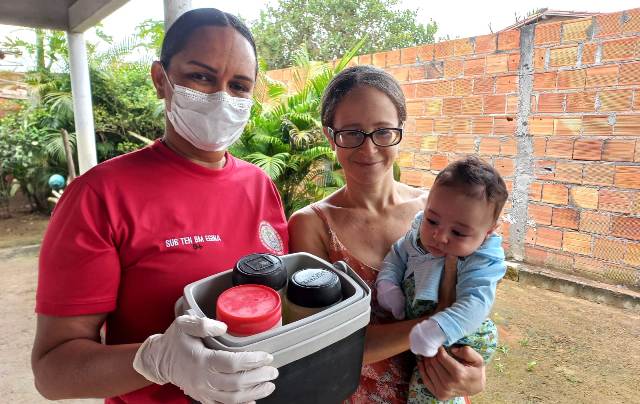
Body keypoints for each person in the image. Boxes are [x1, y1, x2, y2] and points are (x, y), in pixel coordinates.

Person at [31, 8, 287, 404]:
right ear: (160, 80)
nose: (221, 97)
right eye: (200, 76)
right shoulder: (101, 196)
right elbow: (53, 372)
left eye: (239, 85)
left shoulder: (259, 185)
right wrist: (155, 361)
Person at [288, 65, 487, 403]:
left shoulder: (433, 212)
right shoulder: (312, 225)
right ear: (329, 135)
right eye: (351, 133)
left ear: (401, 131)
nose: (368, 150)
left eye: (383, 131)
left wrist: (472, 375)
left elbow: (473, 308)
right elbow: (326, 343)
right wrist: (433, 326)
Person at [376, 156, 508, 403]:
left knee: (430, 389)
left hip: (461, 334)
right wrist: (388, 285)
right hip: (423, 331)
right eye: (432, 220)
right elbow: (397, 254)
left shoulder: (484, 256)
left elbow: (476, 303)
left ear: (488, 232)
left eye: (458, 232)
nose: (439, 235)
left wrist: (437, 329)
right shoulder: (418, 228)